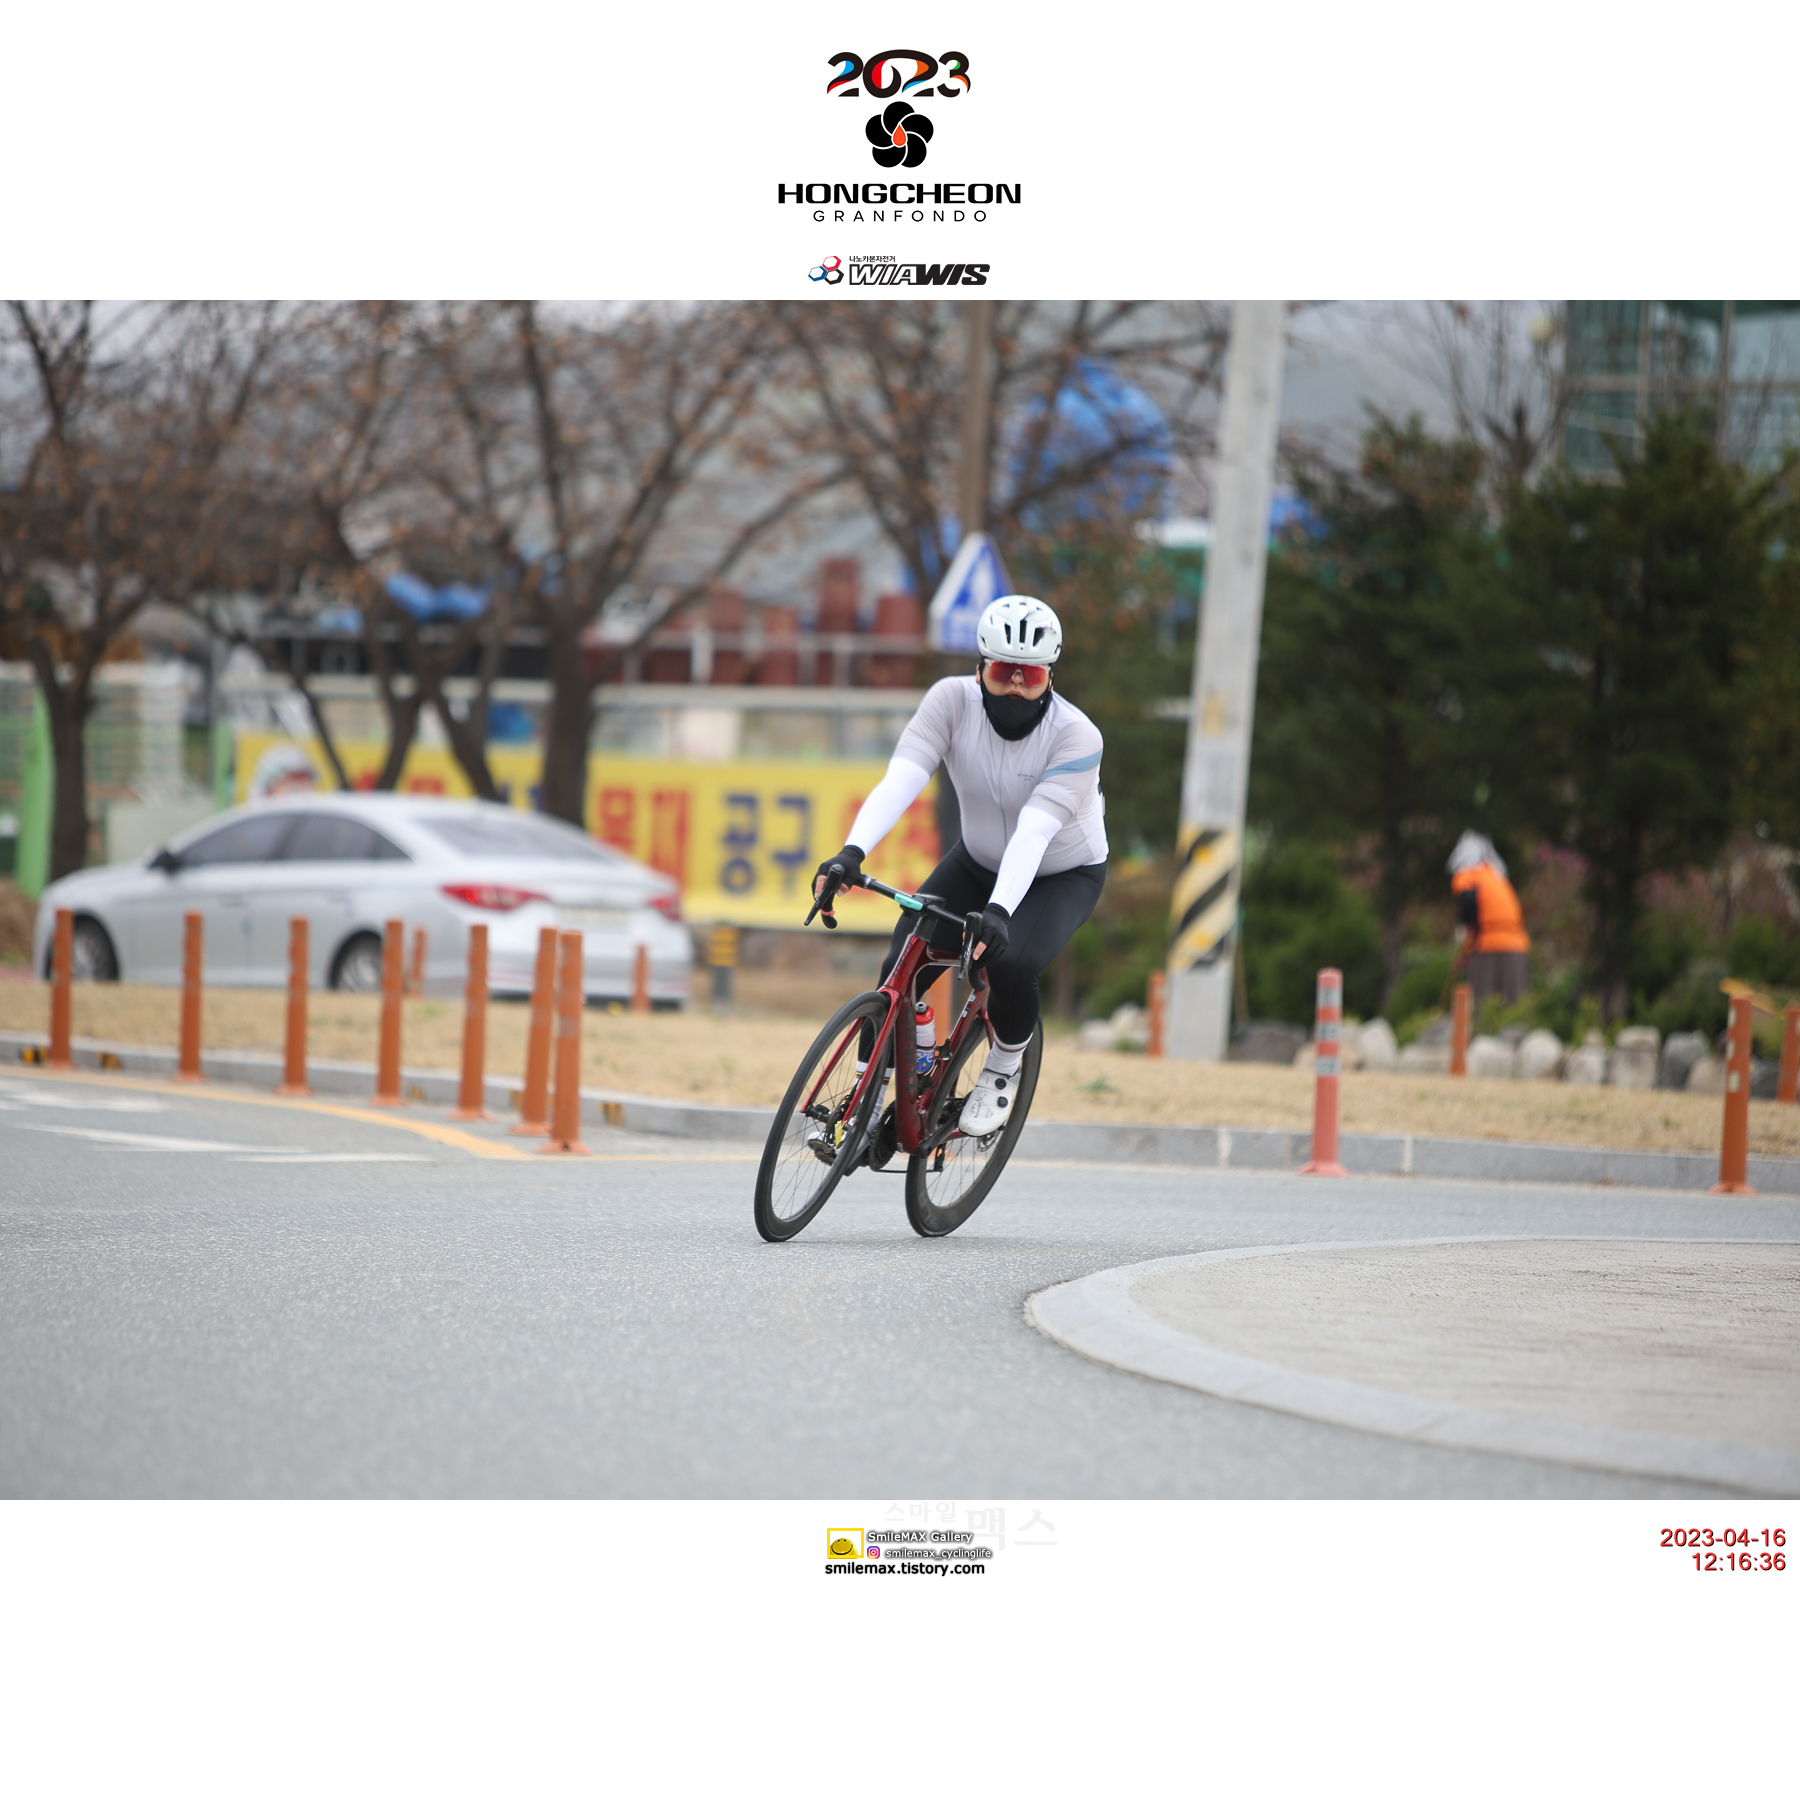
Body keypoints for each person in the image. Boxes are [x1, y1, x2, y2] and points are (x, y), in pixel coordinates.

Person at [811, 594, 1107, 1137]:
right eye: (1002, 672)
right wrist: (851, 852)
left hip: (1060, 873)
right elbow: (901, 780)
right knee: (902, 960)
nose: (1015, 687)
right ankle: (870, 1095)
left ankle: (1004, 1066)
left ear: (1050, 677)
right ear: (979, 670)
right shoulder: (949, 701)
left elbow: (1035, 831)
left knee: (1012, 965)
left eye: (1030, 676)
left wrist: (999, 911)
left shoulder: (1077, 737)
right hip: (977, 860)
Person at [1447, 830, 1531, 1005]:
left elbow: (1468, 902)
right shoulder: (1496, 876)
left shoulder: (1467, 874)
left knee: (1482, 1002)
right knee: (1516, 1004)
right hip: (1517, 945)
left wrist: (1464, 933)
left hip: (1487, 946)